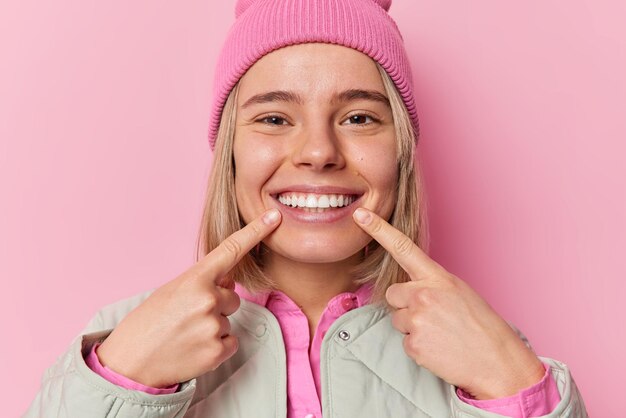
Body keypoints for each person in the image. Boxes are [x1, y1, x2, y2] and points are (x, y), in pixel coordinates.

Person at [25, 0, 588, 417]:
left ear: (403, 152)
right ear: (230, 153)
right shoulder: (120, 340)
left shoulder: (483, 344)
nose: (319, 152)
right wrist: (121, 383)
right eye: (273, 118)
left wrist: (513, 385)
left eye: (360, 117)